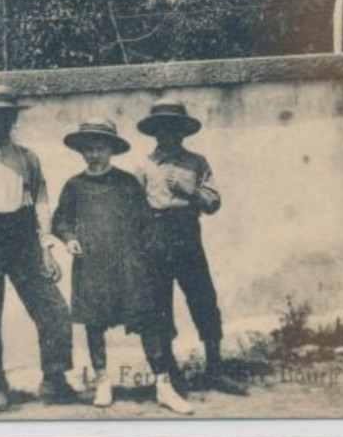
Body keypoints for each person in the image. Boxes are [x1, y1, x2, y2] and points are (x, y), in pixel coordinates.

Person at [52, 119, 194, 415]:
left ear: (111, 151)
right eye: (89, 149)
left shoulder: (127, 183)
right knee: (94, 322)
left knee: (149, 320)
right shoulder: (74, 186)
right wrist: (69, 239)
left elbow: (146, 223)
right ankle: (103, 381)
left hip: (129, 263)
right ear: (81, 152)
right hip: (92, 263)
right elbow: (60, 220)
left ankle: (163, 384)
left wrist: (147, 257)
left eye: (100, 148)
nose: (94, 155)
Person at [0, 84, 77, 409]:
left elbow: (40, 201)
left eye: (5, 117)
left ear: (13, 120)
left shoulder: (28, 158)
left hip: (23, 238)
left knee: (53, 309)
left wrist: (47, 249)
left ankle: (54, 379)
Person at [135, 101, 247, 396]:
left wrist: (191, 191)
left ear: (183, 132)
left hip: (188, 233)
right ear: (155, 132)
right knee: (160, 306)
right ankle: (171, 375)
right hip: (156, 236)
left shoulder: (197, 162)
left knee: (204, 298)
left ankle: (215, 370)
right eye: (162, 129)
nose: (168, 135)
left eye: (174, 128)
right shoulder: (143, 166)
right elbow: (134, 211)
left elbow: (213, 203)